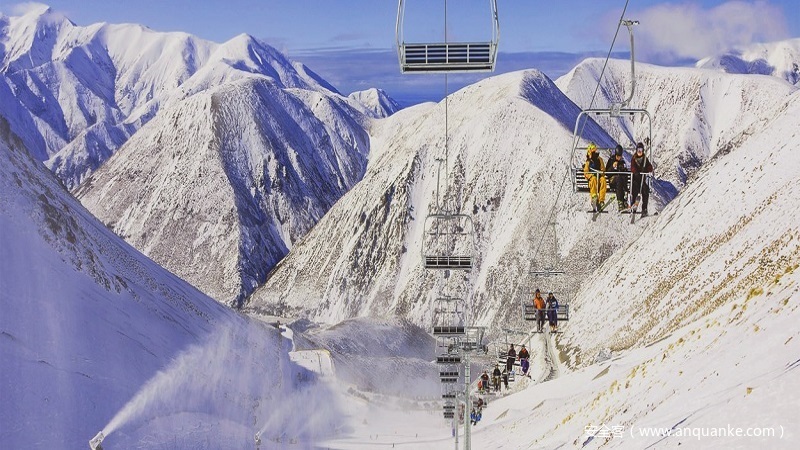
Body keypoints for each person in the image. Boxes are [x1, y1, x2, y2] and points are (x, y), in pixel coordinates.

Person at [630, 141, 654, 216]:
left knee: (645, 190)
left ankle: (644, 209)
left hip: (642, 180)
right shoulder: (634, 158)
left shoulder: (645, 159)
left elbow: (650, 167)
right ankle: (633, 204)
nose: (639, 152)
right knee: (634, 189)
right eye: (638, 150)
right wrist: (636, 172)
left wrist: (646, 169)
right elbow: (632, 167)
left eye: (641, 150)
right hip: (635, 179)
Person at [583, 142, 607, 212]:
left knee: (603, 180)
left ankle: (601, 200)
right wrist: (590, 175)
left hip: (599, 178)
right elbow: (586, 172)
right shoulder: (588, 162)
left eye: (594, 150)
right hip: (592, 179)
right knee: (593, 179)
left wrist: (600, 173)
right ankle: (594, 196)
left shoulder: (599, 159)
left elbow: (603, 169)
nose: (593, 152)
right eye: (592, 150)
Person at [606, 144, 629, 211]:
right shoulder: (611, 160)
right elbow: (607, 172)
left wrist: (623, 169)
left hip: (620, 182)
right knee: (619, 179)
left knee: (621, 179)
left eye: (620, 156)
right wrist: (613, 167)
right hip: (612, 181)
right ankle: (620, 202)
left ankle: (623, 200)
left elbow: (626, 173)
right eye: (618, 156)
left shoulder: (622, 162)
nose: (619, 157)